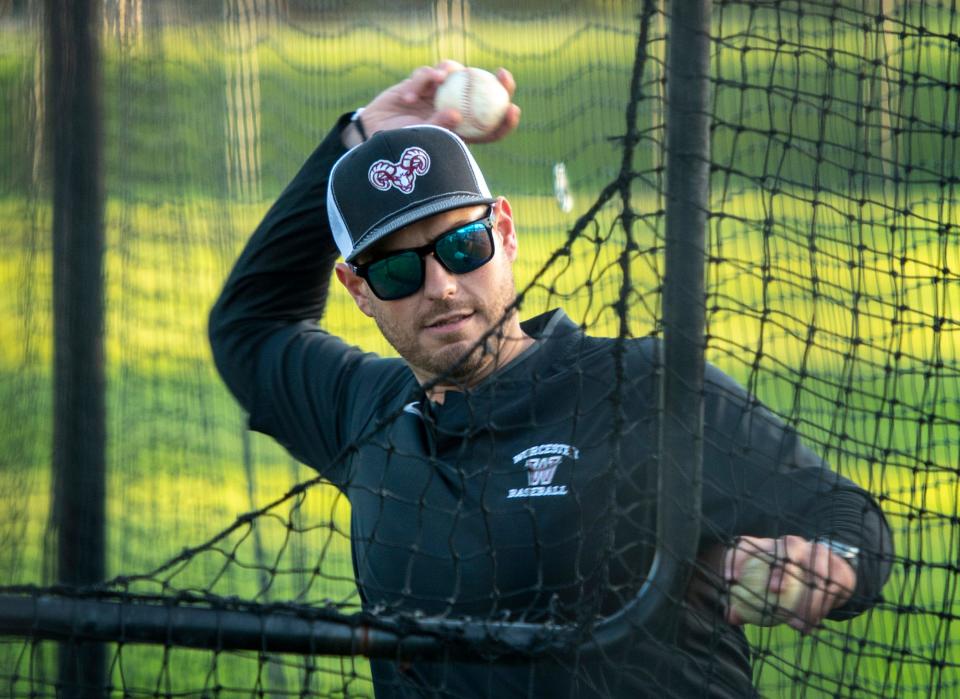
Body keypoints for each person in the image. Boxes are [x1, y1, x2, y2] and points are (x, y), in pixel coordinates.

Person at [209, 61, 893, 698]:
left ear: (503, 232)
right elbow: (248, 323)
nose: (443, 286)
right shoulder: (366, 413)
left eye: (461, 245)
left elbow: (850, 520)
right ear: (358, 290)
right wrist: (358, 138)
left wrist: (823, 563)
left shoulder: (638, 388)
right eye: (396, 270)